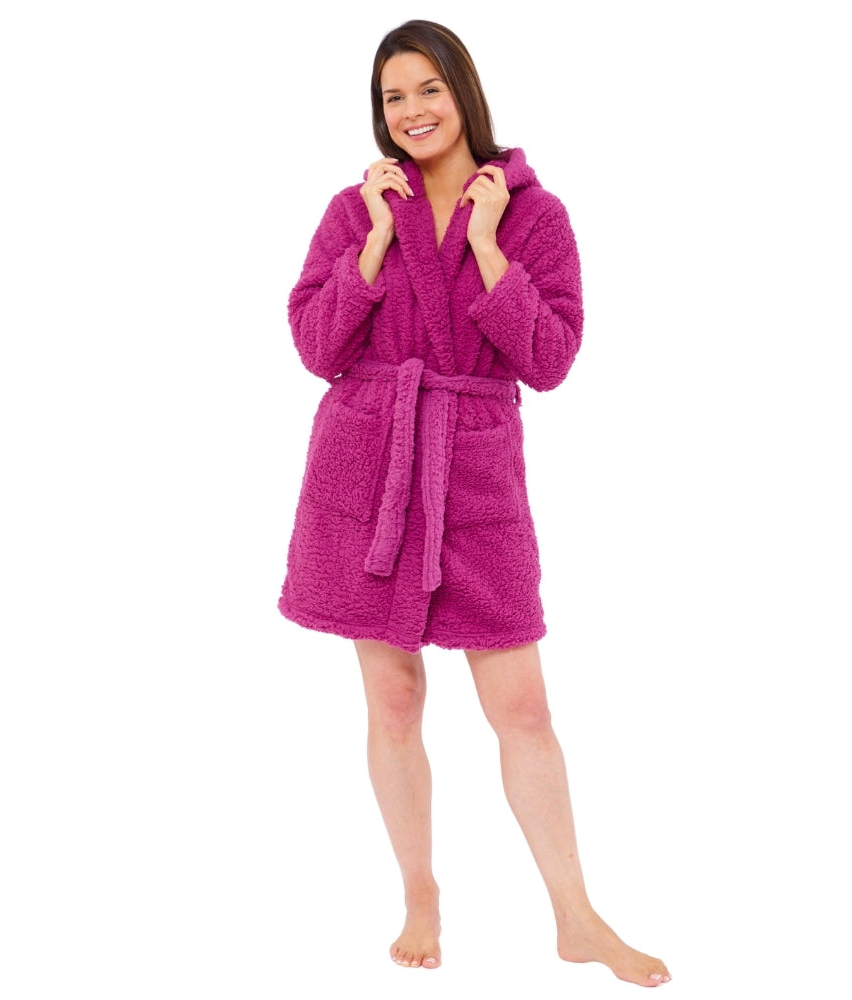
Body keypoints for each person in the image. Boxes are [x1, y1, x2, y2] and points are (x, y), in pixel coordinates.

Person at [277, 19, 671, 987]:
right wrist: (374, 244)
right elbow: (317, 347)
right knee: (394, 699)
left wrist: (490, 249)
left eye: (428, 89)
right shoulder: (355, 208)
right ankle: (420, 892)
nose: (411, 111)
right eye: (393, 96)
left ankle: (576, 916)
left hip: (474, 473)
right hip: (367, 468)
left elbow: (550, 360)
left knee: (523, 706)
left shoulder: (533, 214)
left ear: (463, 91)